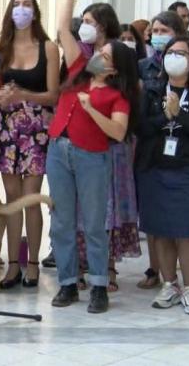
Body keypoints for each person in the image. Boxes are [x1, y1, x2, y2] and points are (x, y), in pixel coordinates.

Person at [46, 40, 137, 313]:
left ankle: (99, 285)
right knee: (62, 221)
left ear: (114, 69)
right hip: (58, 150)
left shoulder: (117, 97)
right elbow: (63, 28)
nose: (98, 56)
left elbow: (118, 132)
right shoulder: (76, 76)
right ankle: (68, 282)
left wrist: (92, 110)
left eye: (106, 56)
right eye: (100, 52)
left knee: (95, 223)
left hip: (92, 157)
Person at [135, 36, 189, 316]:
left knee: (185, 230)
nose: (175, 57)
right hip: (153, 167)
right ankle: (169, 284)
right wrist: (165, 117)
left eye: (181, 53)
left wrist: (179, 114)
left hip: (187, 168)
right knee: (160, 231)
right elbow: (141, 127)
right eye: (170, 52)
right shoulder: (152, 89)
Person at [0, 0, 60, 290]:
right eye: (17, 4)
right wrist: (1, 96)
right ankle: (13, 264)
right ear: (9, 11)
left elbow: (53, 94)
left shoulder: (49, 48)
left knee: (31, 198)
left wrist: (24, 95)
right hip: (5, 126)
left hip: (36, 127)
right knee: (11, 198)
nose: (21, 9)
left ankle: (33, 262)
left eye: (27, 4)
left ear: (35, 11)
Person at [138, 11, 187, 86]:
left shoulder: (187, 63)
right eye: (155, 31)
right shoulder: (142, 65)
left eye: (164, 31)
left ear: (178, 34)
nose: (158, 34)